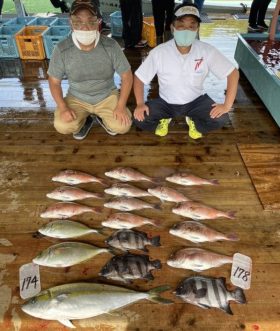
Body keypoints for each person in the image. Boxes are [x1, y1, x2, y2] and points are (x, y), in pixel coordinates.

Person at [133, 3, 239, 140]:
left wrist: (226, 105)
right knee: (139, 118)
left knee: (221, 118)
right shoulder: (159, 52)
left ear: (197, 29)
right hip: (166, 102)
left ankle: (195, 121)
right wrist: (140, 104)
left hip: (195, 101)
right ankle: (164, 119)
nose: (186, 30)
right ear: (172, 27)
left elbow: (233, 73)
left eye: (191, 26)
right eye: (181, 25)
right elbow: (139, 77)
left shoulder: (207, 50)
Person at [48, 0, 132, 140]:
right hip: (76, 97)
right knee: (62, 126)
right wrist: (63, 107)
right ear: (70, 22)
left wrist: (121, 105)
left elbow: (127, 76)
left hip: (107, 96)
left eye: (90, 21)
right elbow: (54, 81)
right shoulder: (62, 49)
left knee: (122, 126)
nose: (85, 27)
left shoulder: (111, 46)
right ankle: (85, 120)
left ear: (99, 21)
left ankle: (102, 118)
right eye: (78, 21)